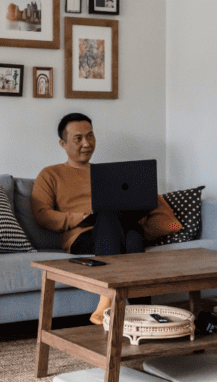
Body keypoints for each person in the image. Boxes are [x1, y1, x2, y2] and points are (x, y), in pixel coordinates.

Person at [31, 113, 180, 324]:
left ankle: (143, 317)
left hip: (119, 226)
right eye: (78, 138)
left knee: (132, 235)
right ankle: (117, 300)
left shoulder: (108, 174)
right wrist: (79, 218)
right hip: (83, 236)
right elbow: (41, 216)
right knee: (115, 221)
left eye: (90, 136)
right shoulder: (50, 174)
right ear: (63, 143)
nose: (87, 143)